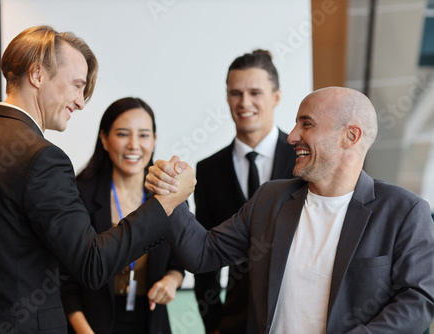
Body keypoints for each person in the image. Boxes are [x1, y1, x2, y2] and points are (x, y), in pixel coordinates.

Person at [0, 26, 193, 333]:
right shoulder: (43, 158)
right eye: (76, 85)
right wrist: (165, 203)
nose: (81, 102)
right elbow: (93, 265)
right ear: (38, 75)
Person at [146, 87, 434, 333]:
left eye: (306, 124)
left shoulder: (405, 212)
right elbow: (202, 254)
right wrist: (172, 195)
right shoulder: (270, 198)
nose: (292, 136)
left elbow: (419, 300)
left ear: (351, 136)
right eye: (296, 124)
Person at [193, 49, 297, 334]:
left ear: (276, 96)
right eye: (235, 93)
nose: (244, 102)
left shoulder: (303, 159)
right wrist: (213, 325)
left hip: (298, 317)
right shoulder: (209, 170)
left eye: (255, 92)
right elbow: (205, 257)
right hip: (235, 322)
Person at [61, 97, 184, 334]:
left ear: (155, 140)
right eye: (123, 134)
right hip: (91, 324)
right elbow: (64, 279)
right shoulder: (79, 194)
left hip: (151, 323)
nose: (134, 145)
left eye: (144, 135)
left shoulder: (168, 196)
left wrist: (171, 281)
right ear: (105, 139)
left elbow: (177, 264)